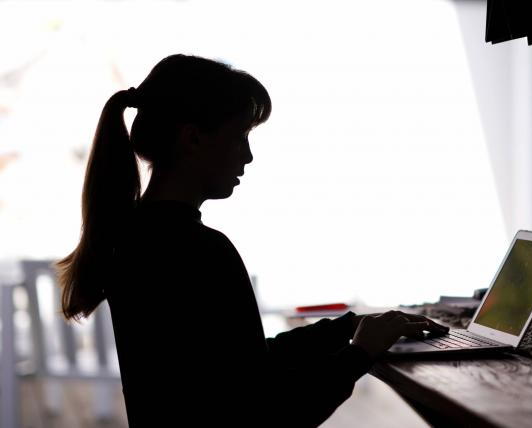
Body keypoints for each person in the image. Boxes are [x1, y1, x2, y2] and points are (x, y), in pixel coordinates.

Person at [55, 54, 448, 427]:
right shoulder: (203, 251)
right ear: (193, 138)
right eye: (240, 136)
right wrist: (359, 354)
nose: (247, 156)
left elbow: (237, 367)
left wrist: (348, 327)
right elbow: (268, 414)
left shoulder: (133, 239)